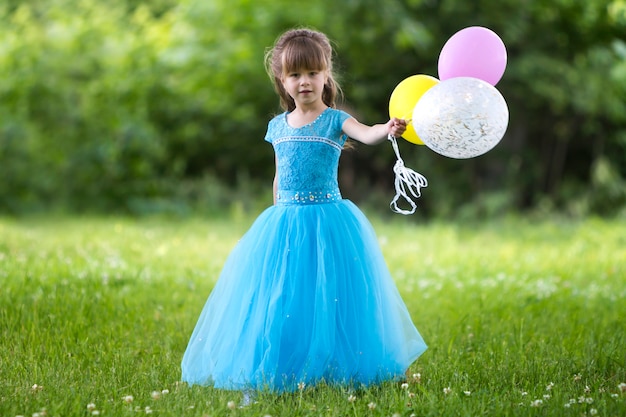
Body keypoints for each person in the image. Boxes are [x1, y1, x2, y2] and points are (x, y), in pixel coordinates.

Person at [181, 28, 427, 394]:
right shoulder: (277, 126)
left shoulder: (335, 120)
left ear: (326, 75)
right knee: (282, 295)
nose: (305, 82)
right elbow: (280, 175)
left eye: (313, 73)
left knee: (332, 293)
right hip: (284, 221)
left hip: (328, 220)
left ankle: (340, 363)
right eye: (295, 74)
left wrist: (387, 129)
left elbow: (367, 132)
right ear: (282, 80)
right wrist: (277, 211)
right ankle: (285, 363)